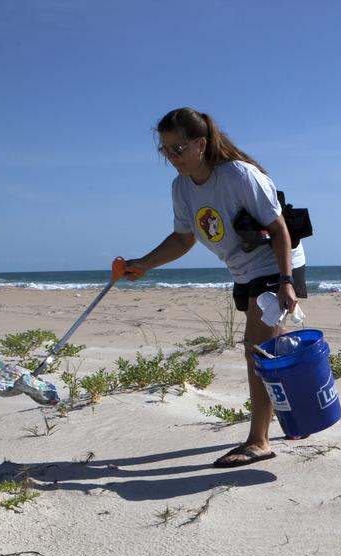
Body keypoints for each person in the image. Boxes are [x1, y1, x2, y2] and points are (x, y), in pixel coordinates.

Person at [124, 107, 307, 468]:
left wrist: (286, 281)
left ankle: (259, 441)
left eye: (178, 149)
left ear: (201, 144)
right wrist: (143, 264)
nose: (172, 158)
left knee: (257, 348)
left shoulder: (239, 175)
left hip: (276, 262)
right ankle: (298, 418)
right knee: (273, 349)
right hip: (244, 270)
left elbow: (281, 229)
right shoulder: (181, 188)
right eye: (166, 151)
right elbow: (182, 239)